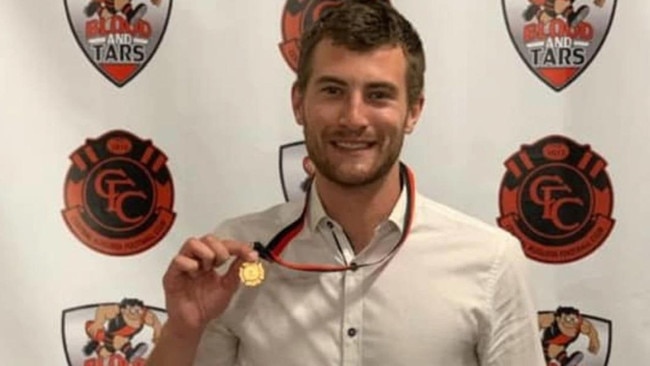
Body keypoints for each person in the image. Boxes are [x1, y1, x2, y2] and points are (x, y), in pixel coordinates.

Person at [147, 1, 545, 365]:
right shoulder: (237, 259)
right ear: (299, 102)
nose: (353, 117)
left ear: (414, 111)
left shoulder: (490, 262)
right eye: (333, 91)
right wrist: (185, 327)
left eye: (379, 95)